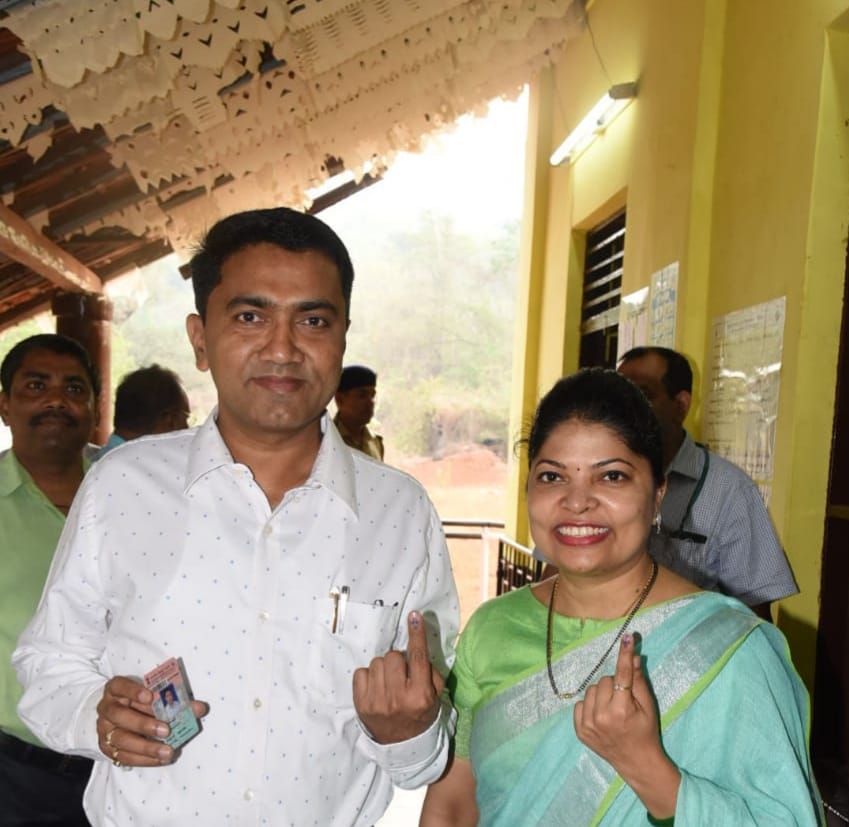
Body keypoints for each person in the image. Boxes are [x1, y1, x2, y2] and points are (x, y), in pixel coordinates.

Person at [13, 207, 460, 826]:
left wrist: (410, 730)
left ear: (342, 338)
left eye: (313, 320)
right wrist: (98, 717)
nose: (282, 348)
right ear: (200, 339)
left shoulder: (400, 513)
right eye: (250, 316)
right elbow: (48, 666)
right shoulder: (121, 488)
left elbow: (425, 753)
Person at [420, 368, 822, 826]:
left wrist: (645, 766)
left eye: (611, 476)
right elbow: (452, 804)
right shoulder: (491, 629)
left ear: (658, 495)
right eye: (552, 476)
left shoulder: (731, 650)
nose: (577, 502)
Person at [617, 346, 797, 620]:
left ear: (681, 405)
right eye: (617, 394)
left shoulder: (730, 490)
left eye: (643, 395)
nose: (623, 408)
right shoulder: (591, 478)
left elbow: (755, 615)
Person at [0, 333, 100, 826]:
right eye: (36, 386)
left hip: (131, 766)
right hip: (17, 775)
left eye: (74, 389)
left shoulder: (134, 492)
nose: (57, 400)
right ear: (5, 405)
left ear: (95, 407)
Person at [95, 363, 190, 458]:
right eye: (186, 418)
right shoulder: (143, 464)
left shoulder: (98, 461)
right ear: (170, 420)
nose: (188, 428)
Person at [334, 364, 384, 460]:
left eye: (372, 395)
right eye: (362, 395)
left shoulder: (375, 442)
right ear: (340, 399)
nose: (370, 402)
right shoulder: (325, 442)